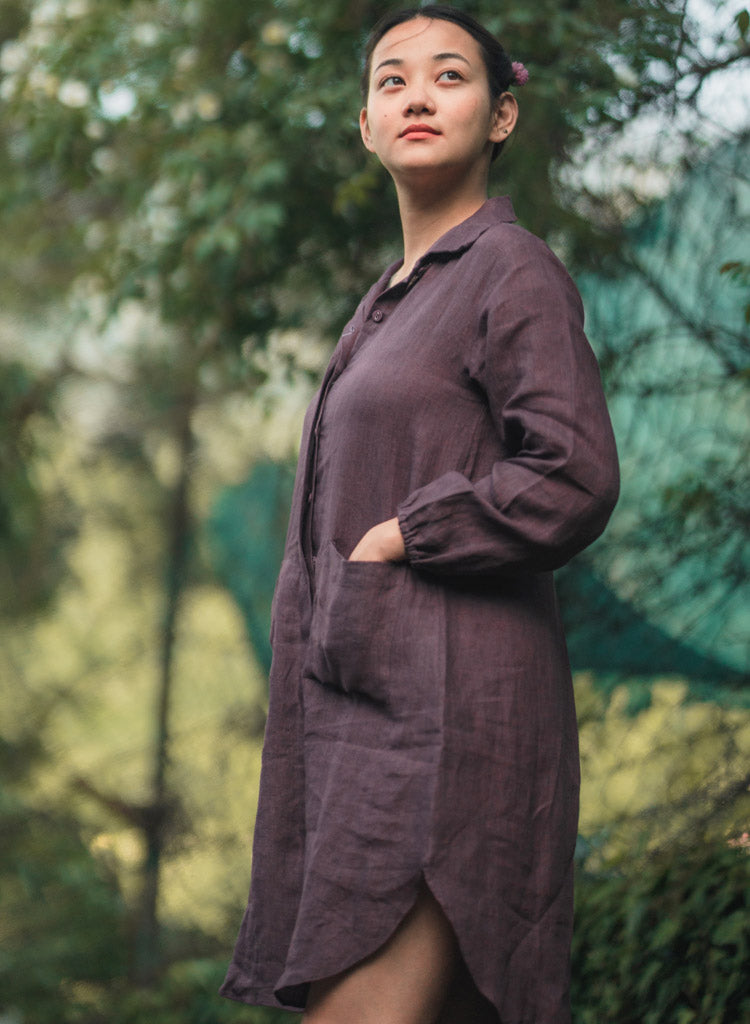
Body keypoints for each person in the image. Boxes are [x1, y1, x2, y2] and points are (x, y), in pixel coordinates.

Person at [221, 6, 619, 1023]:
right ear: (365, 124)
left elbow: (573, 473)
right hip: (361, 719)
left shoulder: (510, 266)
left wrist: (406, 534)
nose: (418, 96)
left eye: (449, 76)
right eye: (392, 80)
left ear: (500, 116)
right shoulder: (384, 303)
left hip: (451, 723)